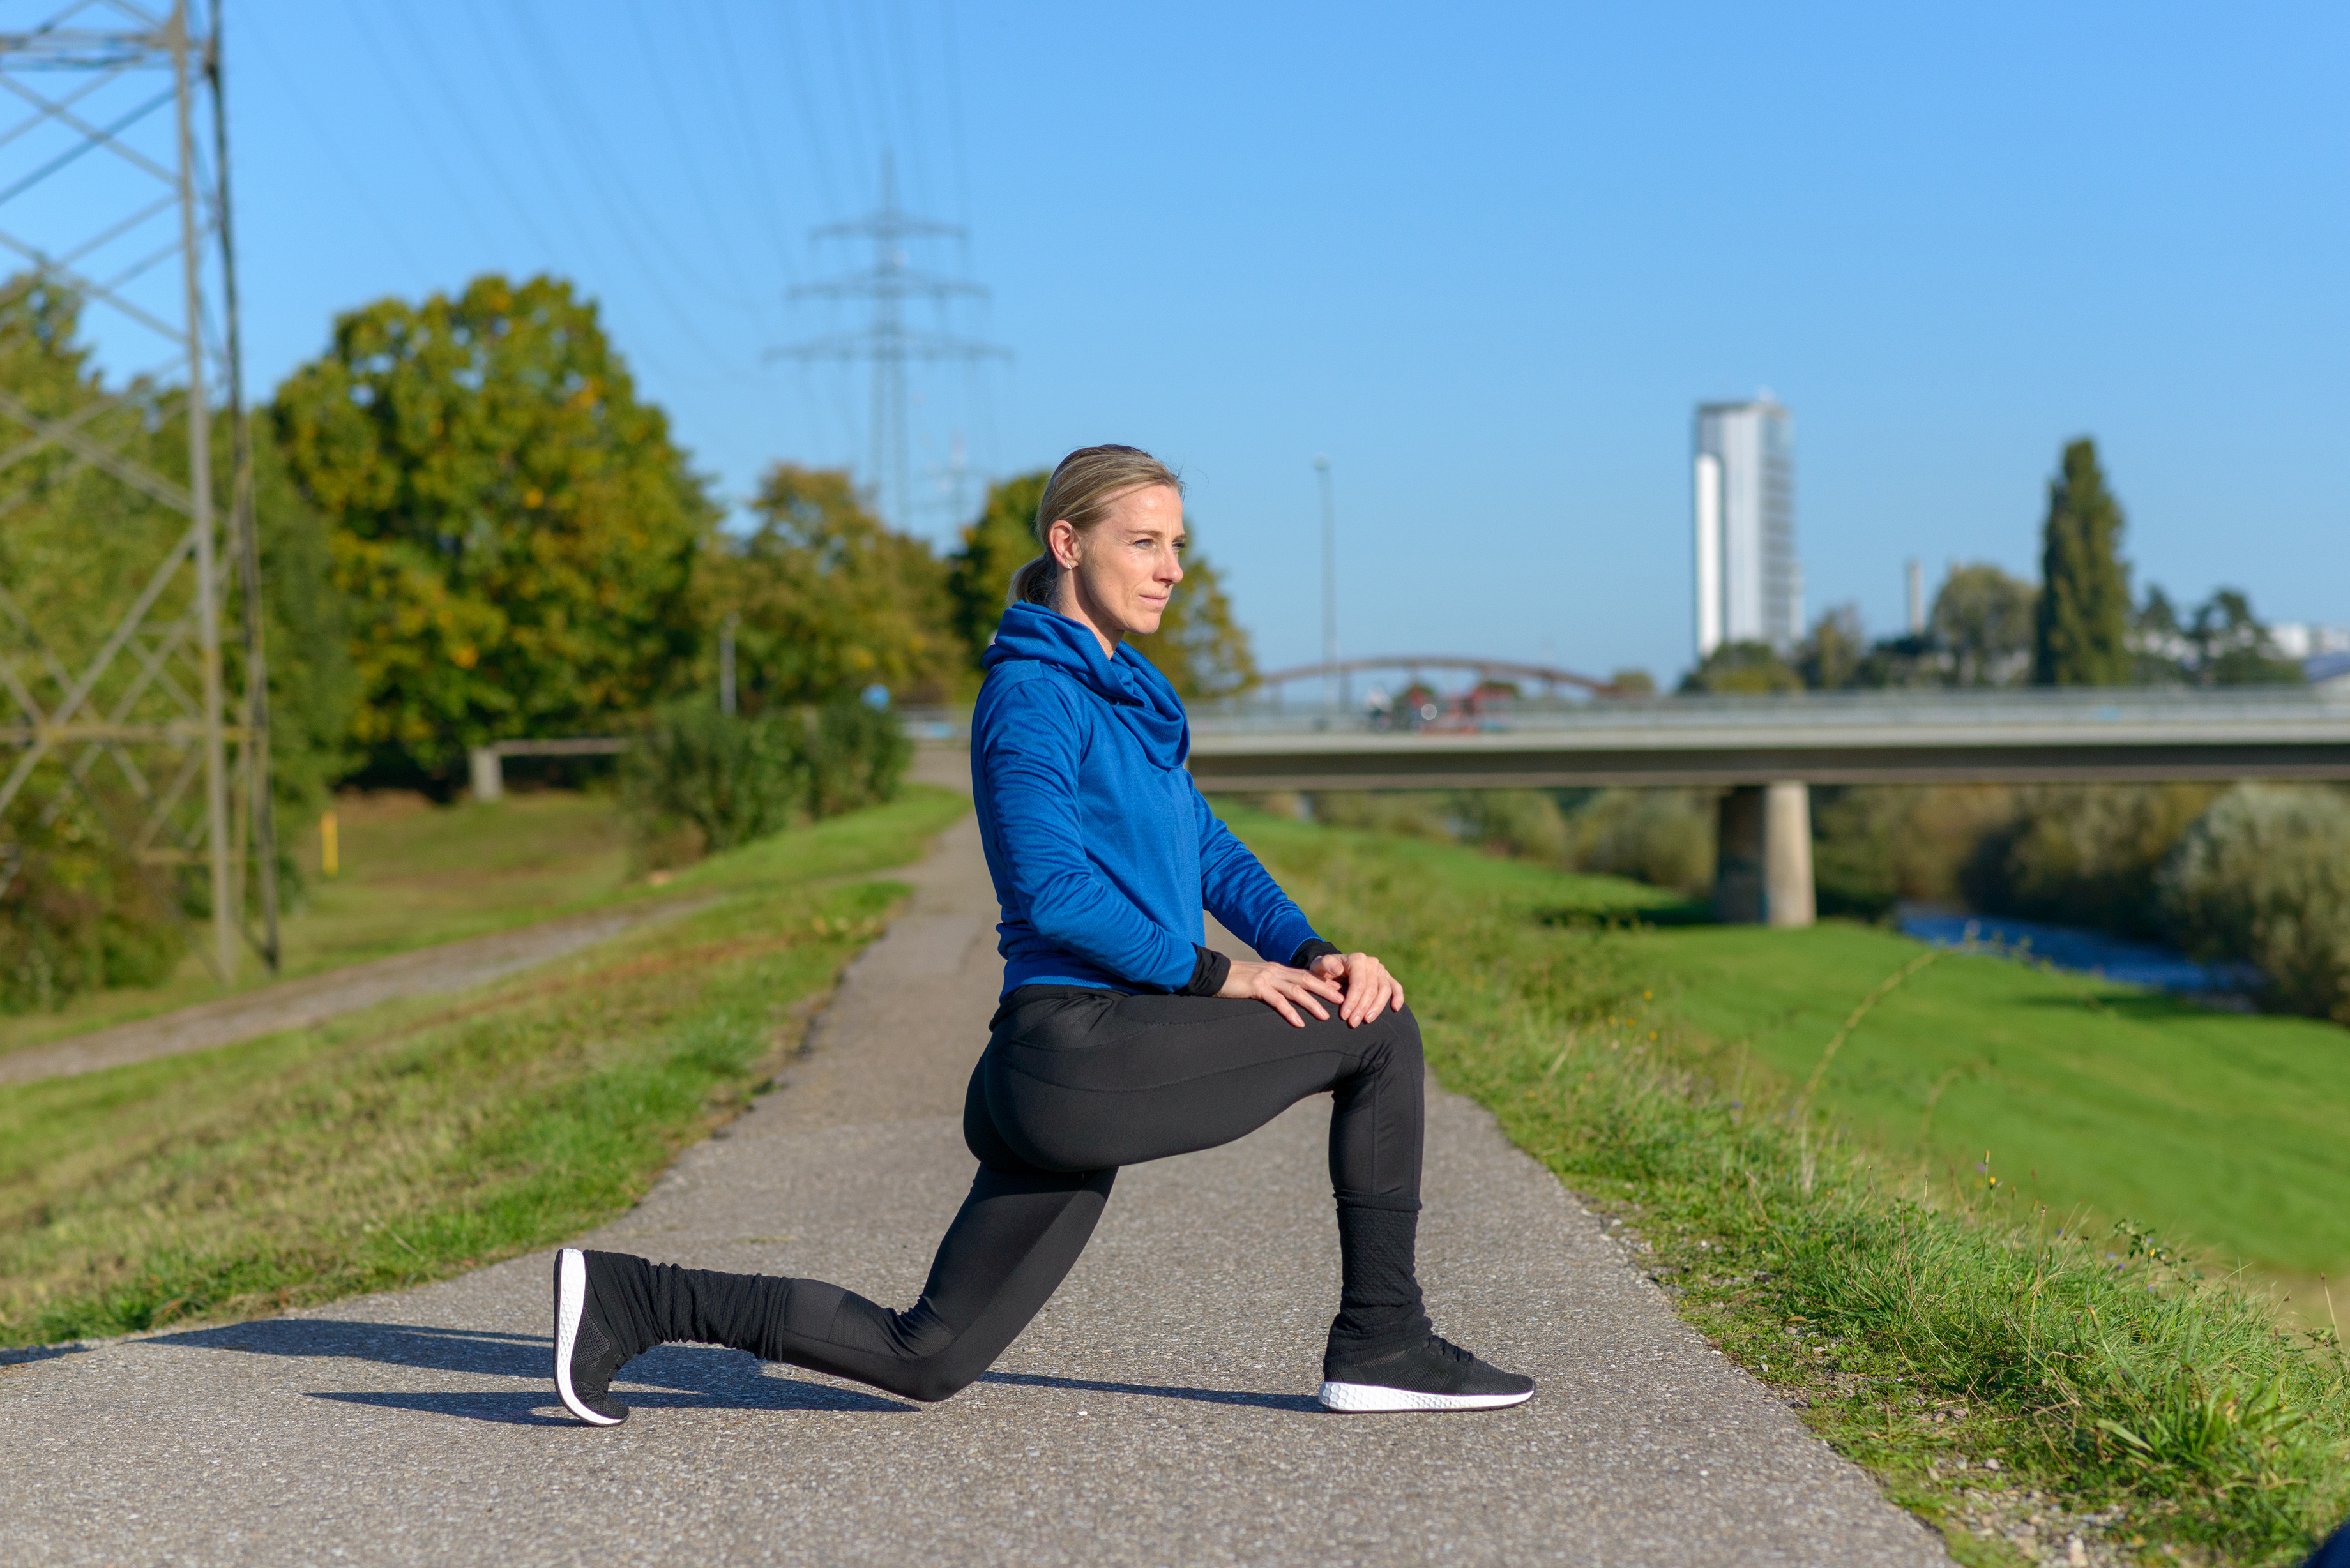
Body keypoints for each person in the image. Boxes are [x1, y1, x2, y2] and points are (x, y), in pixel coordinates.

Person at [550, 444, 1535, 1425]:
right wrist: (1219, 976)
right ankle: (1384, 1338)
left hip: (1080, 1064)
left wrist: (1313, 950)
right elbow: (1055, 893)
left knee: (924, 1358)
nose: (1171, 570)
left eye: (1178, 544)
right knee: (1378, 1033)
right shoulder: (1033, 695)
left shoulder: (1128, 696)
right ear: (1068, 543)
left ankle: (631, 1298)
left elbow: (1210, 851)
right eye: (1143, 543)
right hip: (1078, 1047)